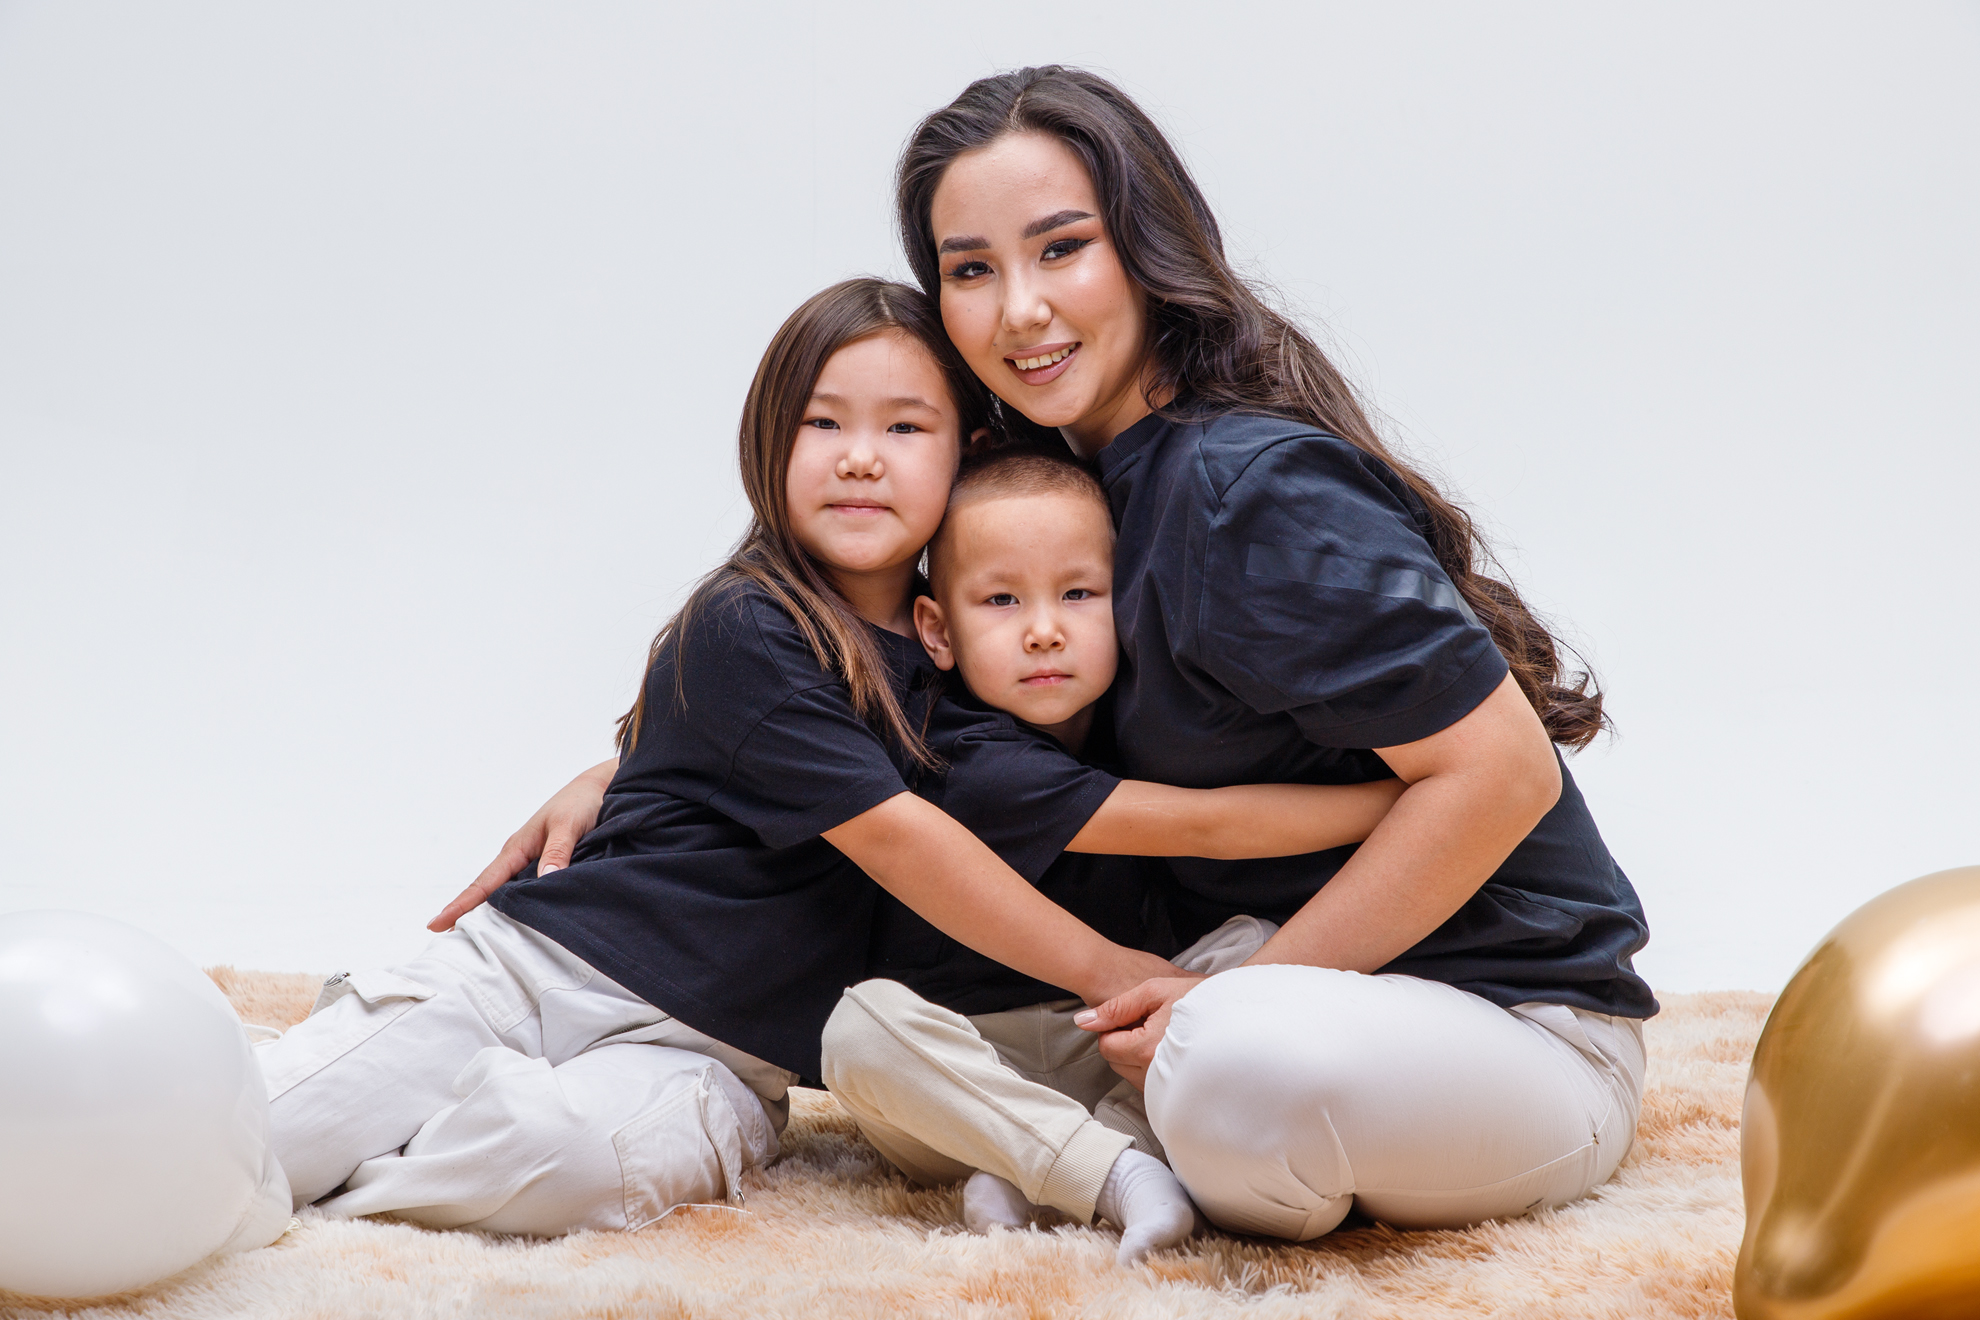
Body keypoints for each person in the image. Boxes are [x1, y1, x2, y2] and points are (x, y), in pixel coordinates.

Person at [889, 66, 1658, 1241]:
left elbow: (1503, 774)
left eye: (1062, 248)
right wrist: (650, 757)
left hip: (1512, 1029)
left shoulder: (1240, 489)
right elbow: (840, 646)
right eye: (971, 270)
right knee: (900, 1022)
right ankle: (1125, 1135)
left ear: (1146, 246)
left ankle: (1122, 1136)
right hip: (1273, 984)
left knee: (1227, 1060)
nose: (1020, 311)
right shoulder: (1052, 495)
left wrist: (1226, 1001)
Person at [256, 277, 1181, 1237]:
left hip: (717, 1059)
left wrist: (609, 769)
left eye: (905, 427)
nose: (860, 457)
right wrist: (1109, 969)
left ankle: (352, 1174)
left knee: (575, 1165)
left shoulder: (972, 651)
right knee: (258, 1133)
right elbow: (897, 836)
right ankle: (335, 1092)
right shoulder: (750, 616)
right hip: (547, 971)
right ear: (769, 441)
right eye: (823, 423)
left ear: (969, 452)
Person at [818, 446, 1405, 1263]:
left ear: (1124, 604)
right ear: (938, 631)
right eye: (1001, 600)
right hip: (970, 1071)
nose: (1044, 631)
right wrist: (1415, 794)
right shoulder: (970, 758)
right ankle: (1108, 1169)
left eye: (1078, 593)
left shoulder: (1142, 717)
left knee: (1254, 943)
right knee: (858, 1028)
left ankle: (1064, 1161)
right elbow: (1210, 827)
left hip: (1111, 1044)